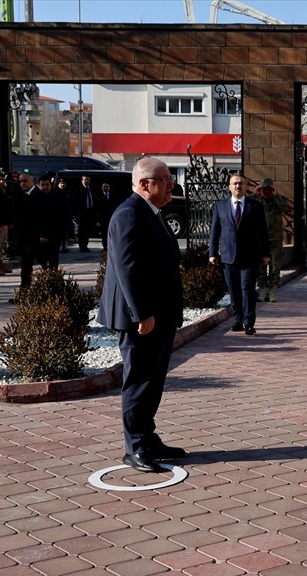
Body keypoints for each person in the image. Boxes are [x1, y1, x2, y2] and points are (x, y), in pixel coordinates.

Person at [96, 157, 184, 474]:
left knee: (153, 381)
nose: (171, 183)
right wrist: (142, 312)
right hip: (141, 319)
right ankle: (135, 447)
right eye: (165, 178)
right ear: (145, 183)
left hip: (158, 315)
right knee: (139, 382)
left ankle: (147, 437)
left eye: (170, 177)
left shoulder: (152, 212)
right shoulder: (128, 214)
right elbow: (126, 268)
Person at [209, 173, 270, 335]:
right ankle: (237, 320)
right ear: (229, 187)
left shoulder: (255, 206)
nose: (238, 186)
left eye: (241, 183)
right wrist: (212, 253)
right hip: (228, 257)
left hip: (250, 257)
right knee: (234, 291)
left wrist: (265, 253)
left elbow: (262, 232)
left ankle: (249, 322)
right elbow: (214, 231)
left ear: (246, 187)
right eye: (235, 183)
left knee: (248, 290)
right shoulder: (220, 206)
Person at [256, 177, 286, 302]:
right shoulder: (256, 200)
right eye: (264, 189)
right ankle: (262, 289)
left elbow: (286, 208)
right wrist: (255, 193)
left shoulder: (278, 200)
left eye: (269, 189)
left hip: (275, 239)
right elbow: (247, 205)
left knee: (275, 266)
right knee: (260, 266)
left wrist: (276, 196)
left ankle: (273, 289)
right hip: (260, 239)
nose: (267, 192)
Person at [97, 181, 117, 251]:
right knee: (104, 233)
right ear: (102, 188)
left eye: (107, 186)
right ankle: (105, 246)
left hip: (111, 217)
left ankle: (111, 245)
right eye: (104, 186)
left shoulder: (113, 196)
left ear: (109, 188)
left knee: (112, 232)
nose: (105, 188)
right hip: (103, 218)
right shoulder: (99, 196)